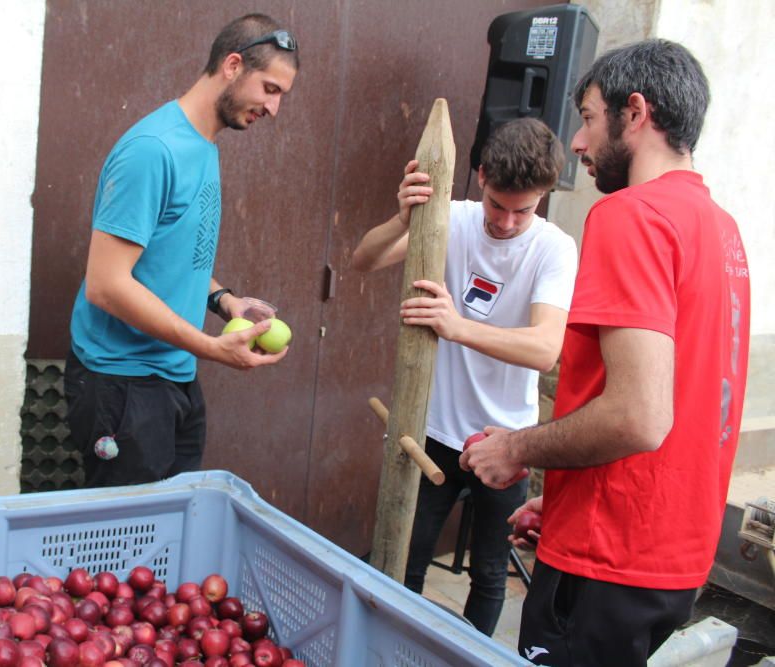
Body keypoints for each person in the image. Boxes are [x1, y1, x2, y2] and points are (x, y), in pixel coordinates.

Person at [462, 40, 751, 666]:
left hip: (611, 559)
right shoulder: (721, 228)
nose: (578, 143)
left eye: (590, 118)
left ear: (636, 113)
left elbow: (639, 416)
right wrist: (566, 495)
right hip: (675, 555)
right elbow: (686, 402)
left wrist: (513, 448)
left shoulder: (631, 215)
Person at [351, 118, 577, 636]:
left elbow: (545, 350)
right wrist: (401, 219)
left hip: (508, 440)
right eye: (498, 204)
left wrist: (457, 327)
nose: (508, 221)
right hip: (433, 432)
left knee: (490, 574)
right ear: (479, 177)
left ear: (543, 196)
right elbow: (365, 260)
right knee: (405, 562)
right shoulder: (450, 218)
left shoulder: (554, 248)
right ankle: (390, 647)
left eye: (525, 208)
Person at [65, 14, 300, 488]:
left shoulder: (203, 143)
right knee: (121, 546)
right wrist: (212, 349)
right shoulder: (154, 150)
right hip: (123, 384)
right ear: (233, 65)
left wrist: (225, 302)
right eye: (270, 89)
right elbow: (107, 286)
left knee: (166, 534)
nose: (274, 109)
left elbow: (175, 253)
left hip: (174, 373)